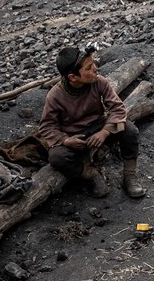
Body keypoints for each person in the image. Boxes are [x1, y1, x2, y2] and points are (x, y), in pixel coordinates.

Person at [39, 46, 146, 198]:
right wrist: (66, 140)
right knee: (56, 157)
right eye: (89, 68)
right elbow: (47, 126)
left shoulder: (98, 82)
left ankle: (129, 174)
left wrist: (105, 132)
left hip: (99, 125)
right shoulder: (55, 96)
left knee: (129, 130)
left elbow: (118, 108)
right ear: (73, 77)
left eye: (94, 63)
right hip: (74, 136)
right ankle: (90, 174)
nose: (96, 68)